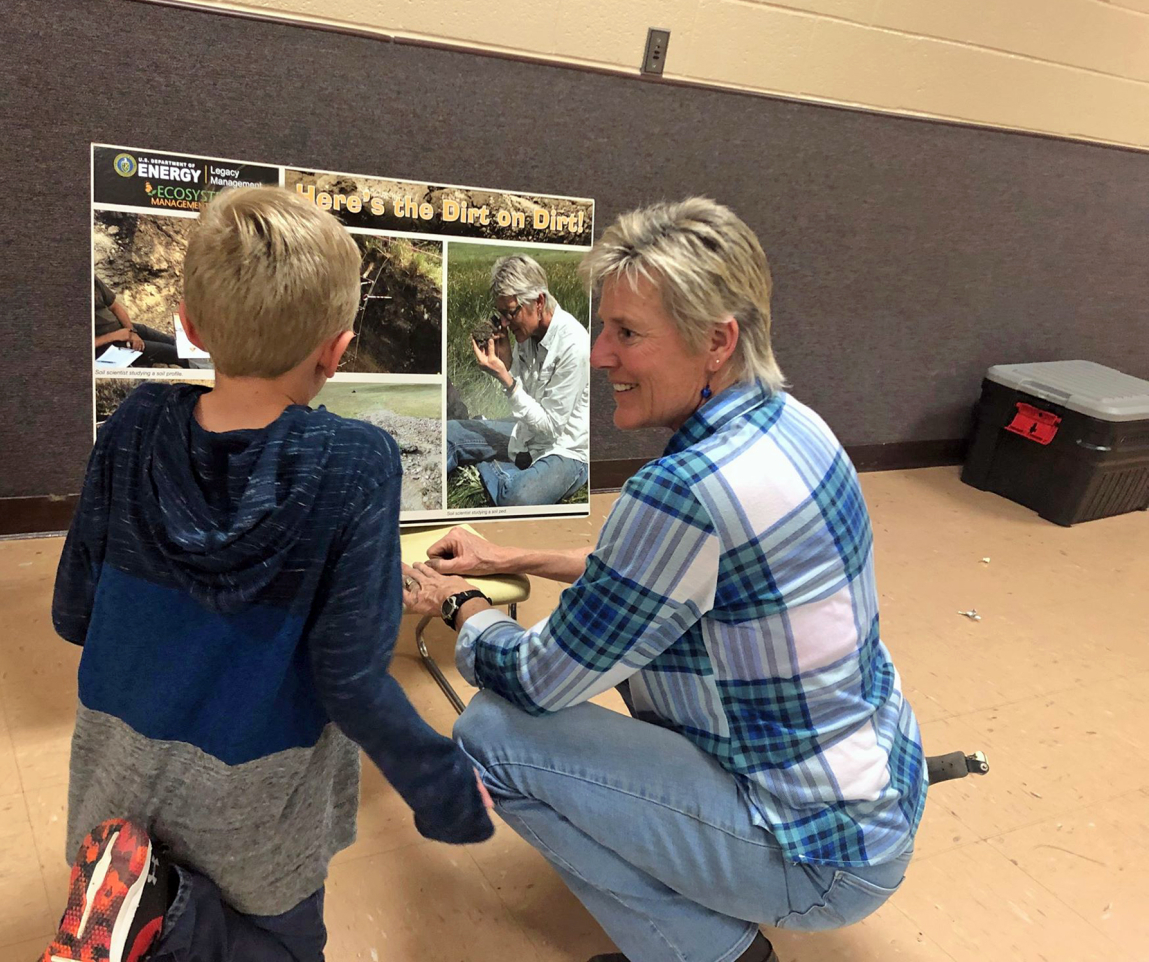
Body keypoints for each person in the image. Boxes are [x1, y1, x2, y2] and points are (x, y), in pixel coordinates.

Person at [403, 198, 925, 962]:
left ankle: (716, 953)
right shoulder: (794, 423)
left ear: (718, 341)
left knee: (489, 732)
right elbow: (670, 579)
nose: (603, 354)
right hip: (876, 794)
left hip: (820, 857)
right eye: (604, 327)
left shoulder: (681, 489)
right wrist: (506, 558)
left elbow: (543, 680)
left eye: (628, 334)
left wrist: (462, 605)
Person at [45, 185, 493, 962]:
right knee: (277, 945)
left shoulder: (131, 426)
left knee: (147, 902)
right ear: (337, 348)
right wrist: (442, 784)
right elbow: (351, 678)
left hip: (117, 785)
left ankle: (145, 912)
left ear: (187, 325)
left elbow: (72, 613)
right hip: (262, 801)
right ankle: (180, 924)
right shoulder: (355, 463)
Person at [446, 254, 589, 505]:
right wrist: (508, 364)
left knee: (519, 496)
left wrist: (506, 380)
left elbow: (552, 426)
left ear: (539, 301)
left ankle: (491, 466)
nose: (504, 322)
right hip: (525, 433)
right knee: (448, 433)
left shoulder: (573, 345)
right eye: (500, 314)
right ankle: (500, 466)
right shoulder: (528, 332)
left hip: (563, 451)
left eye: (510, 313)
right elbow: (530, 397)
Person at [94, 275, 189, 368]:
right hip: (108, 346)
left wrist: (131, 331)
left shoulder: (92, 279)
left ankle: (196, 359)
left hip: (121, 329)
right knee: (173, 353)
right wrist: (115, 336)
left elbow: (114, 307)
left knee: (172, 341)